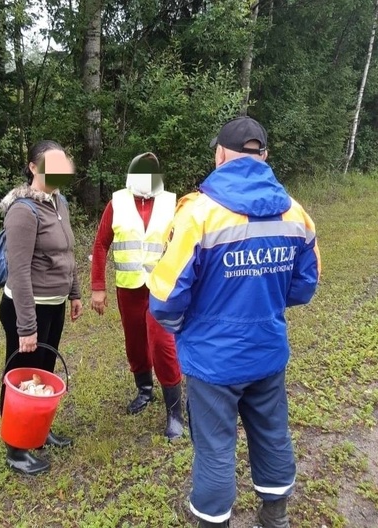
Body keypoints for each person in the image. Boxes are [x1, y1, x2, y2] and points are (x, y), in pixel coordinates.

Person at [148, 117, 321, 527]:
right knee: (273, 434)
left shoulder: (198, 213)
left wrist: (188, 329)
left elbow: (165, 299)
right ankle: (275, 516)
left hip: (213, 360)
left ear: (220, 154)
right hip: (267, 350)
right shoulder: (295, 212)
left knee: (214, 448)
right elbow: (304, 287)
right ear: (263, 155)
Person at [0, 140, 82, 475]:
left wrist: (74, 293)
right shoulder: (23, 210)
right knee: (20, 376)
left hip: (54, 304)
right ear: (34, 167)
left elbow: (67, 254)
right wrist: (27, 326)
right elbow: (18, 272)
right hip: (25, 308)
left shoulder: (59, 202)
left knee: (44, 371)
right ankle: (16, 449)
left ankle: (38, 431)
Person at [90, 152, 184, 441]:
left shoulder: (172, 203)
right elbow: (101, 244)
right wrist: (97, 286)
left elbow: (184, 244)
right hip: (128, 288)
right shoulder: (116, 203)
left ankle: (175, 411)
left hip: (161, 289)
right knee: (136, 343)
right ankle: (144, 390)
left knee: (163, 344)